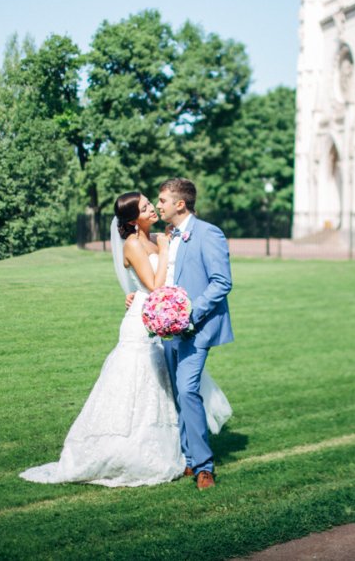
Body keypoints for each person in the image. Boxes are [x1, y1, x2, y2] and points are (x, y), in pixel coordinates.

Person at [19, 191, 230, 487]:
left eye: (151, 203)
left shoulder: (159, 236)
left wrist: (157, 263)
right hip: (144, 323)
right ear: (133, 219)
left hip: (163, 320)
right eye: (145, 207)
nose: (152, 208)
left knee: (165, 389)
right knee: (134, 384)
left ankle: (180, 454)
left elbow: (174, 275)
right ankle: (125, 449)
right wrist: (162, 252)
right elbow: (154, 285)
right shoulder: (134, 243)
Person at [156, 177, 234, 490]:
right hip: (167, 330)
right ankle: (189, 458)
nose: (158, 206)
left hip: (195, 328)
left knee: (188, 390)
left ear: (180, 204)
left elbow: (221, 282)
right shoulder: (168, 235)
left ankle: (204, 467)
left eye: (162, 200)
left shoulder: (208, 233)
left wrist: (189, 315)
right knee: (178, 393)